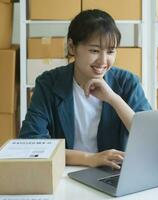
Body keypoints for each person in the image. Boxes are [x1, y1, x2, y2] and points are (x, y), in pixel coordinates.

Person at [19, 9, 151, 169]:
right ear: (72, 47)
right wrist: (90, 159)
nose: (103, 61)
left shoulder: (127, 82)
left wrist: (113, 98)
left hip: (114, 174)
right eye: (94, 50)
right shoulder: (48, 83)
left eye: (110, 51)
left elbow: (149, 137)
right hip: (64, 173)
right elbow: (31, 142)